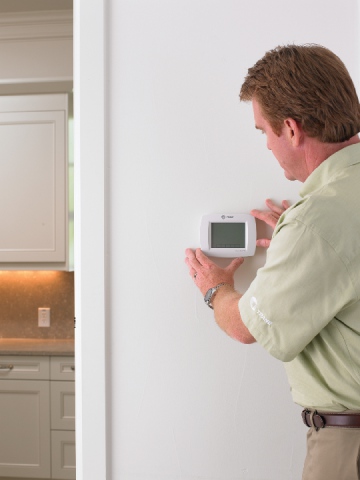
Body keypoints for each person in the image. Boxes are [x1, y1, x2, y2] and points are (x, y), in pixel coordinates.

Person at [185, 44, 360, 480]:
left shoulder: (318, 221)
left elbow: (247, 328)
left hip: (348, 448)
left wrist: (214, 288)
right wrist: (308, 245)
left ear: (292, 129)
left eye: (263, 130)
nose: (265, 143)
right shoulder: (329, 216)